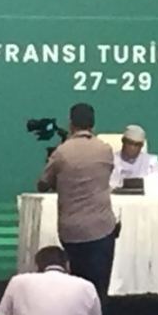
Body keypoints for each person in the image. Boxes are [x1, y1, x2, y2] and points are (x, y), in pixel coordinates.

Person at [36, 103, 117, 298]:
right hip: (101, 229)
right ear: (93, 124)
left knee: (75, 289)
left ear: (71, 124)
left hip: (71, 231)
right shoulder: (105, 150)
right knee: (98, 291)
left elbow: (43, 184)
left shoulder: (61, 152)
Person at [109, 124, 158, 189]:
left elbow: (155, 185)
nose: (133, 148)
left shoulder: (151, 163)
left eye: (137, 145)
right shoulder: (110, 161)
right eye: (130, 143)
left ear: (141, 146)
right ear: (123, 141)